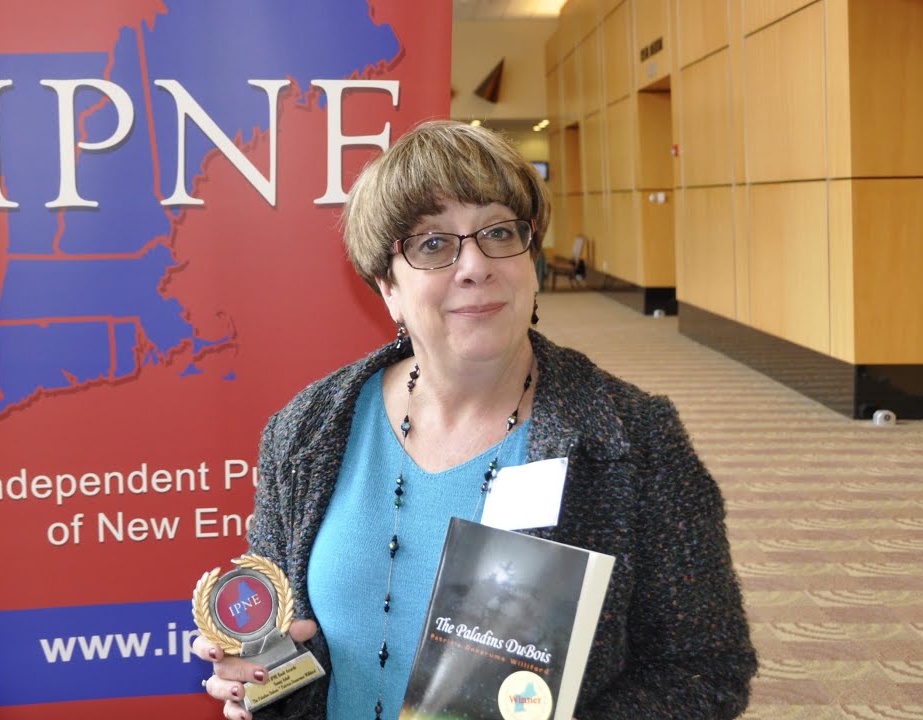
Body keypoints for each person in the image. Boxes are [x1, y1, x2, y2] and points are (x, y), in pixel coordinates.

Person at [194, 121, 756, 719]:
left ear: (531, 258)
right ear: (388, 286)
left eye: (498, 232)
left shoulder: (633, 441)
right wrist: (260, 676)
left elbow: (706, 670)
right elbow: (287, 647)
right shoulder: (306, 434)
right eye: (432, 244)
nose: (474, 266)